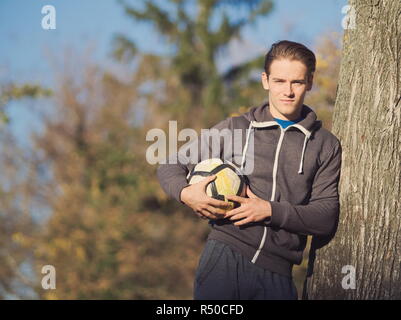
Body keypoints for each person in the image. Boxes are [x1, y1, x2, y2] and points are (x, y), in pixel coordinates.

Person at [157, 40, 342, 300]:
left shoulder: (324, 144)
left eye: (297, 82)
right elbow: (170, 165)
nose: (287, 91)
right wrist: (186, 194)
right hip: (224, 259)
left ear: (309, 82)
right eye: (279, 81)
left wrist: (269, 210)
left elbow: (325, 217)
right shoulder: (236, 128)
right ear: (265, 80)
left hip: (279, 276)